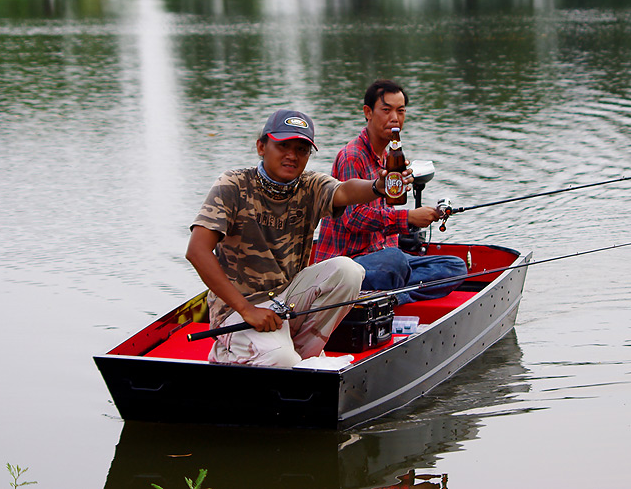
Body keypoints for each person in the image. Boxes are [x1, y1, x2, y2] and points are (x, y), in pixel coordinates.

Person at [186, 108, 405, 367]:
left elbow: (345, 191)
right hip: (238, 309)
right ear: (261, 147)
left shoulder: (310, 185)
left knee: (349, 271)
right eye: (283, 146)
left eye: (301, 150)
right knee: (280, 359)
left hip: (287, 301)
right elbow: (197, 251)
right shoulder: (233, 184)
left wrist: (377, 187)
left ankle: (304, 355)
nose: (292, 156)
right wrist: (247, 310)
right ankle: (231, 352)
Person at [314, 79, 467, 305]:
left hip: (382, 258)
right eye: (386, 110)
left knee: (455, 266)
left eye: (400, 111)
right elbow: (353, 219)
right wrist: (408, 218)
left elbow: (385, 215)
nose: (394, 118)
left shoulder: (390, 157)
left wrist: (410, 194)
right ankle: (394, 294)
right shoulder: (352, 156)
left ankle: (392, 296)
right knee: (395, 260)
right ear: (368, 112)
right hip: (348, 264)